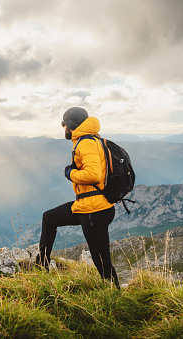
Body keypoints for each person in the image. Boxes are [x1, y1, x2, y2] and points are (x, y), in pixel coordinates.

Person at [35, 107, 120, 288]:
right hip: (91, 205)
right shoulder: (91, 139)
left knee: (102, 260)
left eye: (64, 124)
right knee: (49, 218)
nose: (63, 127)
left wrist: (70, 173)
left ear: (70, 125)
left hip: (93, 211)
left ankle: (115, 294)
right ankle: (41, 264)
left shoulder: (86, 143)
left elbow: (93, 174)